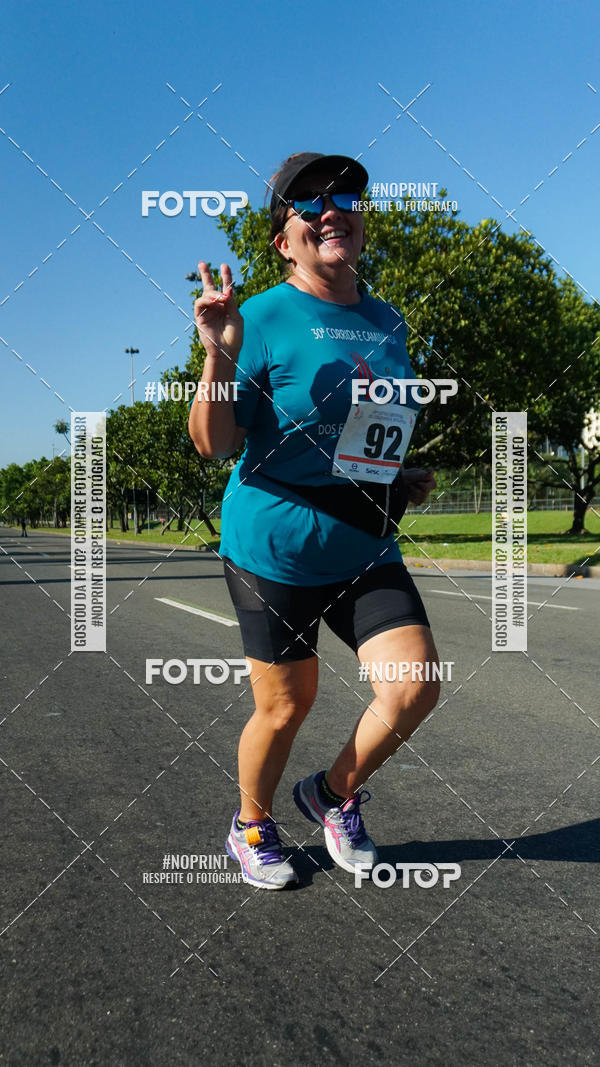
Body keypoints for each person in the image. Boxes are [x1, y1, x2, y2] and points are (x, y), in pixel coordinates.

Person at [189, 152, 440, 890]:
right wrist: (213, 349)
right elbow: (213, 444)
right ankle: (252, 823)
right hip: (277, 547)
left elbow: (370, 427)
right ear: (285, 241)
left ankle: (329, 794)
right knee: (289, 702)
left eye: (345, 196)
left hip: (364, 541)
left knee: (414, 684)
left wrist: (399, 474)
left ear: (361, 222)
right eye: (308, 203)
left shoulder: (386, 319)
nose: (331, 208)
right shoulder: (258, 316)